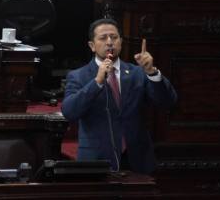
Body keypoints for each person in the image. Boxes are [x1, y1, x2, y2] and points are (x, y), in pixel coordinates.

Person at [62, 18, 177, 174]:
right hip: (96, 161)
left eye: (114, 37)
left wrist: (152, 72)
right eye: (103, 38)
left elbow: (167, 102)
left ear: (121, 42)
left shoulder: (138, 73)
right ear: (92, 46)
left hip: (137, 160)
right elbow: (70, 112)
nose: (110, 42)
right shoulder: (78, 76)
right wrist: (97, 82)